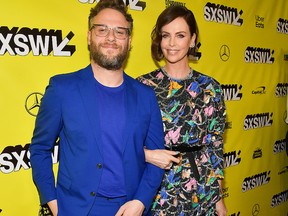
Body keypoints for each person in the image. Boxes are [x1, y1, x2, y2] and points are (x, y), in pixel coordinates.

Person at [29, 0, 165, 215]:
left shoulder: (146, 96)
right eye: (102, 30)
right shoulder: (62, 89)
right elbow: (40, 149)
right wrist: (56, 205)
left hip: (131, 208)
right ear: (89, 36)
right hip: (77, 208)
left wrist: (141, 201)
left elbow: (158, 157)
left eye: (120, 32)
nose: (111, 37)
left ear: (129, 41)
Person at [139, 5, 227, 216]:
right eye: (165, 35)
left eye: (180, 35)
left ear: (192, 39)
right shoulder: (143, 86)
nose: (171, 43)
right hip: (158, 187)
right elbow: (127, 143)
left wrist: (219, 200)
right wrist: (147, 155)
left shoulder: (210, 87)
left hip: (202, 187)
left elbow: (215, 147)